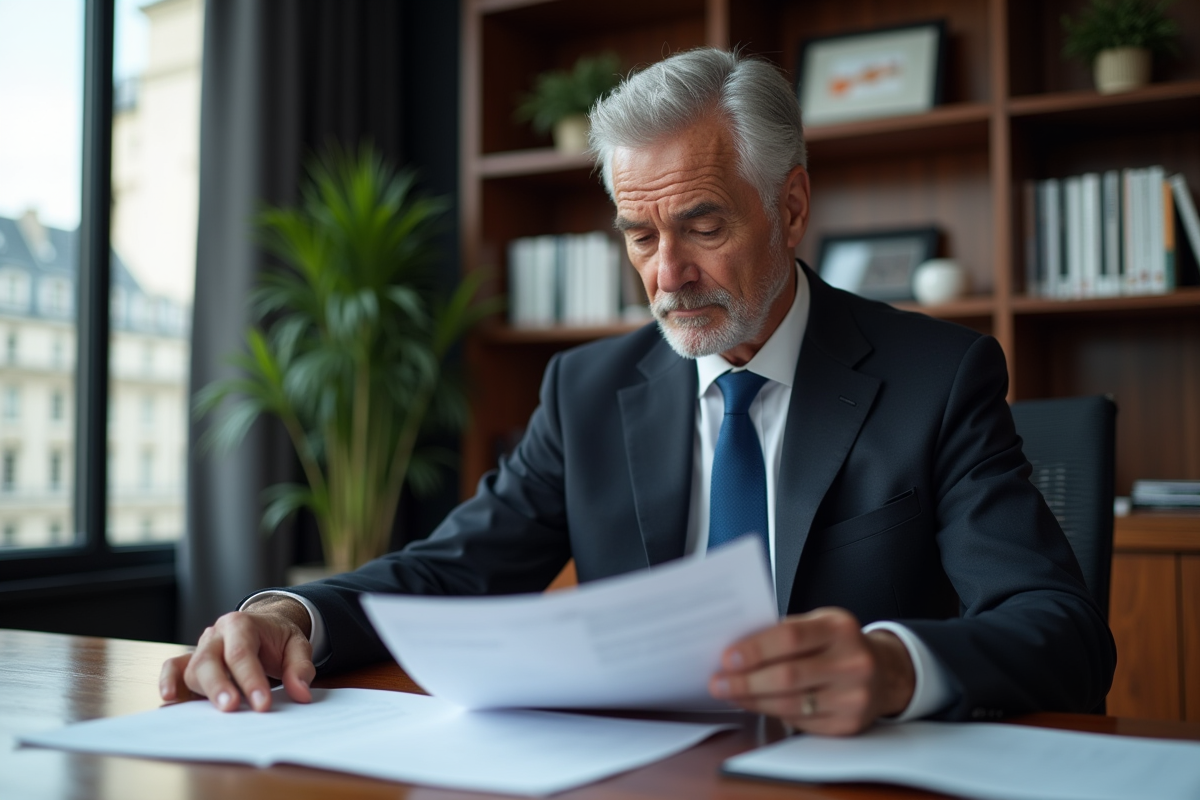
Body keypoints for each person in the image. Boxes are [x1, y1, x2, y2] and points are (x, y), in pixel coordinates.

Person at [161, 48, 1114, 736]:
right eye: (639, 235)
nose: (667, 276)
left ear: (789, 208)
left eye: (701, 226)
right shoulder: (587, 389)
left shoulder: (935, 378)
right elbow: (450, 571)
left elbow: (1060, 633)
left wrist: (896, 665)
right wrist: (291, 614)